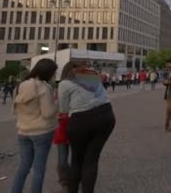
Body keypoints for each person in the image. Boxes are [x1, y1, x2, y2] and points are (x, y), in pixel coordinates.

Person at [59, 60, 115, 193]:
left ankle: (72, 190)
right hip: (105, 115)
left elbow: (63, 110)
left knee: (77, 159)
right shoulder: (92, 76)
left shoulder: (65, 83)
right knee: (92, 159)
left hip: (80, 120)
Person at [11, 58, 58, 193]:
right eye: (53, 73)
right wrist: (57, 104)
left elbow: (15, 109)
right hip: (42, 132)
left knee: (23, 167)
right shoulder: (44, 88)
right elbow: (48, 113)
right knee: (39, 169)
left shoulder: (22, 85)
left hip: (23, 131)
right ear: (47, 72)